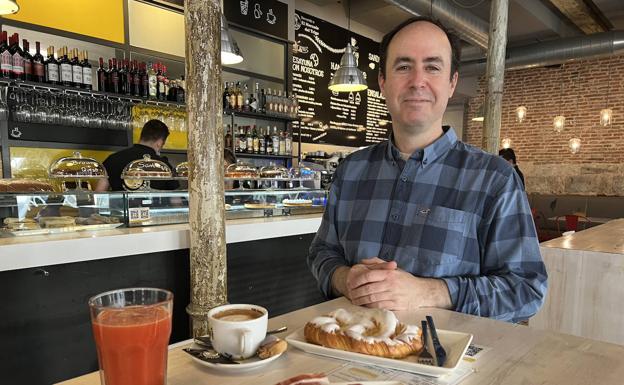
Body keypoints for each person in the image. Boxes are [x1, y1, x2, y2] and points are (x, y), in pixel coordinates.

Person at [307, 17, 547, 323]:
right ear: (383, 82)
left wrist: (429, 293)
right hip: (352, 352)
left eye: (432, 67)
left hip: (449, 363)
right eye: (403, 66)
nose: (417, 81)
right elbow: (321, 253)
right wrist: (346, 279)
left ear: (451, 83)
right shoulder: (351, 171)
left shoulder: (495, 179)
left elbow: (526, 288)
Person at [96, 119, 179, 191]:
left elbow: (99, 193)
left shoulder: (112, 159)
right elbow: (176, 201)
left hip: (119, 209)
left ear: (142, 136)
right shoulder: (164, 166)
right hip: (155, 208)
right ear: (159, 143)